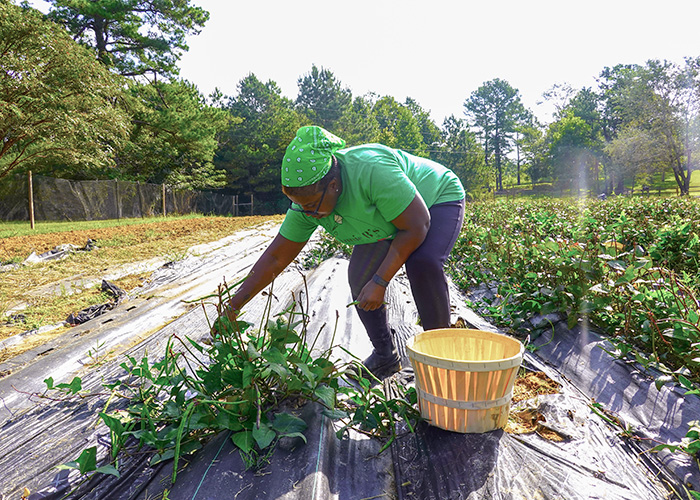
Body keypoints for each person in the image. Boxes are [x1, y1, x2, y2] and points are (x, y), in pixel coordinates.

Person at [224, 125, 465, 380]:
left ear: (333, 185)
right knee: (360, 278)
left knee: (422, 264)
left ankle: (442, 362)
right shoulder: (307, 205)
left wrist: (381, 281)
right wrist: (234, 305)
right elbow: (276, 256)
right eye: (298, 205)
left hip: (434, 199)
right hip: (385, 220)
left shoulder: (371, 170)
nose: (305, 212)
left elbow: (417, 226)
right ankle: (385, 356)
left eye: (309, 205)